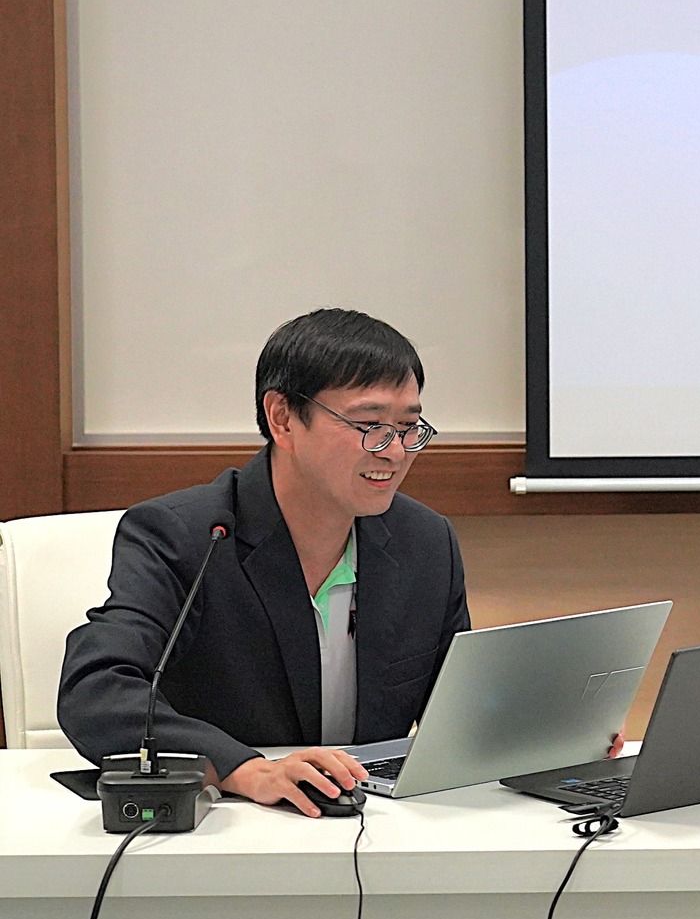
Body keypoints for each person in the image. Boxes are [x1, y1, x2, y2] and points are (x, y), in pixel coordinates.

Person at [58, 309, 469, 817]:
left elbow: (463, 709)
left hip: (378, 821)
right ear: (282, 418)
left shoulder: (424, 542)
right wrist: (245, 770)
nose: (395, 452)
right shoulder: (186, 536)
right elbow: (96, 690)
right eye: (370, 425)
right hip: (233, 825)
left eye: (407, 427)